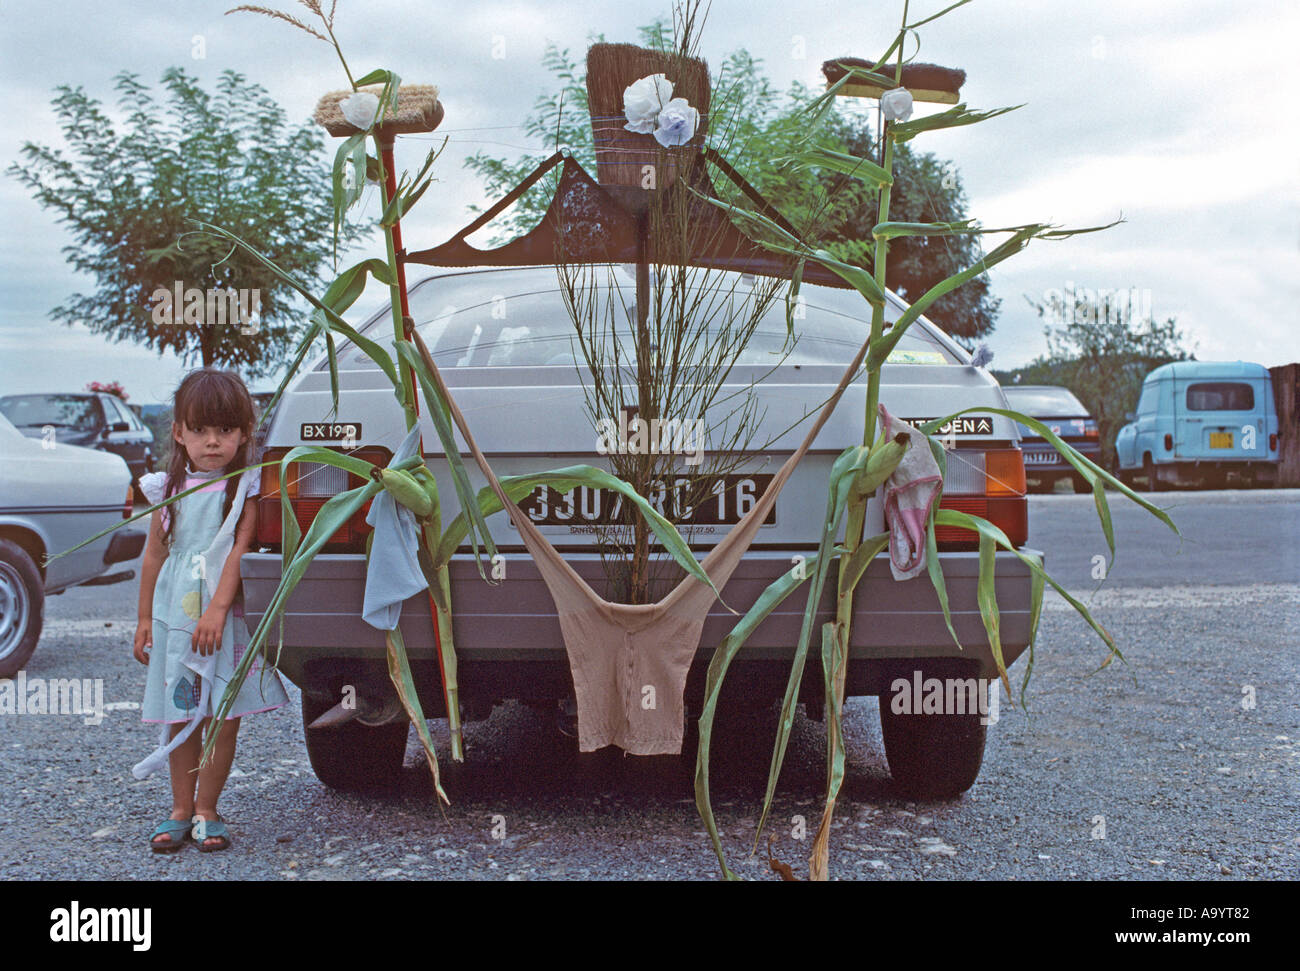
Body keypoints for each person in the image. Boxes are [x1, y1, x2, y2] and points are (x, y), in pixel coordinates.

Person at [133, 368, 288, 853]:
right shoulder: (166, 491)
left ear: (244, 434)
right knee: (180, 715)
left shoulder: (244, 489)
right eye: (199, 430)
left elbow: (240, 551)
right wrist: (142, 620)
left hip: (222, 621)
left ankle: (207, 809)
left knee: (221, 717)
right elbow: (154, 556)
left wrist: (218, 610)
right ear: (178, 431)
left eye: (225, 430)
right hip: (177, 623)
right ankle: (180, 809)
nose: (213, 442)